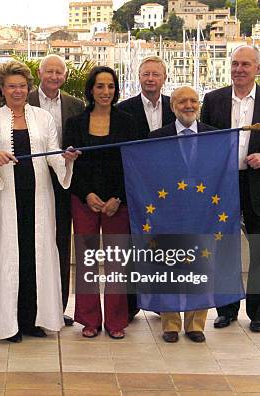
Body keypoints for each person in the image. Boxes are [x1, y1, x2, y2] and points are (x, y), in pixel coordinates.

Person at [0, 60, 79, 342]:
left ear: (28, 87)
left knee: (35, 257)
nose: (18, 91)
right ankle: (7, 325)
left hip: (38, 199)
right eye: (12, 86)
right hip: (4, 199)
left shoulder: (42, 118)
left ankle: (32, 319)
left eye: (22, 86)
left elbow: (52, 153)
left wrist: (65, 159)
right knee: (10, 258)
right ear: (2, 89)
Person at [201, 45, 260, 332]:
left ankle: (258, 314)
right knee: (223, 249)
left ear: (258, 68)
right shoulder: (214, 100)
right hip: (224, 185)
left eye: (245, 64)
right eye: (235, 64)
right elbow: (204, 142)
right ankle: (226, 309)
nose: (239, 69)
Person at [64, 66, 138, 339]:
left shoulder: (128, 122)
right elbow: (72, 166)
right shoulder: (75, 124)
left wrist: (117, 197)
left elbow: (132, 164)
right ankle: (89, 319)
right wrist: (87, 195)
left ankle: (116, 320)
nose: (105, 91)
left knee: (117, 262)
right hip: (84, 200)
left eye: (110, 86)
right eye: (100, 86)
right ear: (91, 90)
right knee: (87, 260)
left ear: (116, 90)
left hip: (118, 202)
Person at [149, 86, 216, 343]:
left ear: (199, 104)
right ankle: (170, 324)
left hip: (203, 212)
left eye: (193, 101)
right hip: (169, 212)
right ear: (172, 106)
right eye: (182, 101)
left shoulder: (214, 137)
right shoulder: (157, 137)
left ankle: (196, 324)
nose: (188, 105)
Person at [116, 56, 175, 321]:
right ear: (139, 77)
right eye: (145, 74)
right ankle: (130, 306)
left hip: (169, 190)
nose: (150, 79)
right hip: (135, 188)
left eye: (155, 74)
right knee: (132, 246)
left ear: (164, 78)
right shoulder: (123, 110)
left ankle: (164, 302)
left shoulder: (177, 106)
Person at [28, 54, 85, 326]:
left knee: (61, 244)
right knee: (32, 243)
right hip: (31, 182)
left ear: (64, 76)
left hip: (64, 182)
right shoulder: (23, 99)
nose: (54, 76)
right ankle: (30, 306)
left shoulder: (76, 105)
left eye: (58, 72)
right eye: (49, 71)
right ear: (40, 73)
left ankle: (58, 307)